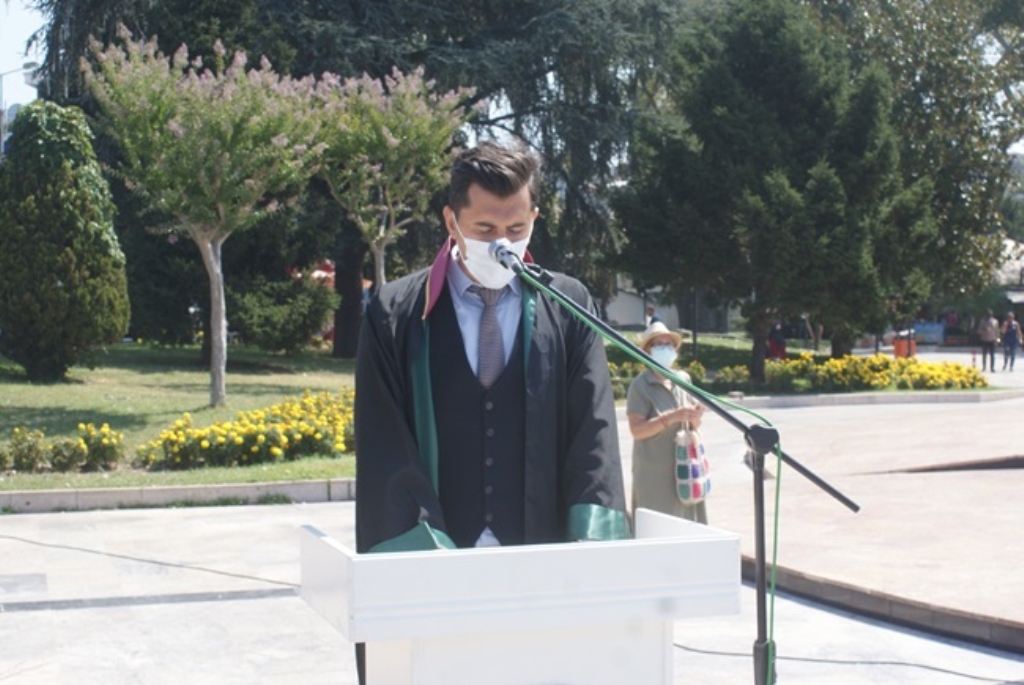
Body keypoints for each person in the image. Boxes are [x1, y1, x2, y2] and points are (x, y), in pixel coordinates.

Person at [354, 141, 629, 554]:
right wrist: (424, 550)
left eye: (516, 229)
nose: (502, 243)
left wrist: (589, 543)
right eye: (484, 230)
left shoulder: (568, 306)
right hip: (439, 557)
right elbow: (384, 440)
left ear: (534, 218)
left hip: (543, 553)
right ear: (451, 221)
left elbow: (594, 431)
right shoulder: (394, 313)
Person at [626, 321, 707, 524]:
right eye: (659, 344)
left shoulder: (683, 379)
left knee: (688, 527)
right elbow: (637, 430)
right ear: (648, 351)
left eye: (669, 344)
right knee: (658, 528)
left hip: (685, 470)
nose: (665, 348)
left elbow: (693, 424)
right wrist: (671, 417)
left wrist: (695, 416)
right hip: (654, 476)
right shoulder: (640, 386)